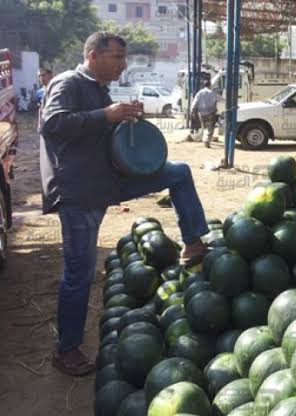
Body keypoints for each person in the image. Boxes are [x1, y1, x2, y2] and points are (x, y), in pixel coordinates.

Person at [40, 31, 210, 376]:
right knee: (79, 274)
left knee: (178, 172)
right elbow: (53, 123)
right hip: (78, 193)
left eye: (124, 57)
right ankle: (66, 350)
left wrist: (125, 120)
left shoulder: (98, 90)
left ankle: (193, 242)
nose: (123, 63)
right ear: (92, 56)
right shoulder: (68, 82)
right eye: (117, 57)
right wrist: (107, 115)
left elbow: (98, 131)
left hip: (106, 182)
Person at [191, 80, 219, 148]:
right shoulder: (212, 92)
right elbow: (219, 99)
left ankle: (203, 138)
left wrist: (193, 111)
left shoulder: (199, 93)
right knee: (211, 128)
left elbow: (194, 102)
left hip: (202, 113)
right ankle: (207, 140)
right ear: (209, 85)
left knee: (204, 127)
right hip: (210, 113)